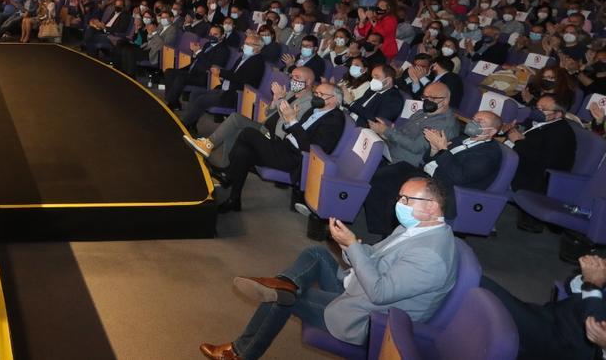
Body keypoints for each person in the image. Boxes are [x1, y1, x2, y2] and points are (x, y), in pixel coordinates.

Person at [199, 177, 457, 359]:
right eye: (400, 197)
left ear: (431, 207)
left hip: (370, 317)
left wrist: (352, 249)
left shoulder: (431, 255)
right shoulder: (416, 228)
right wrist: (351, 242)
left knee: (280, 299)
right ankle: (285, 281)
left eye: (406, 199)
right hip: (359, 286)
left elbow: (380, 293)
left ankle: (240, 353)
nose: (399, 204)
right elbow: (378, 256)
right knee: (316, 253)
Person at [361, 111, 502, 234]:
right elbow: (429, 158)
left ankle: (391, 237)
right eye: (474, 118)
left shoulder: (490, 154)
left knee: (398, 195)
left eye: (480, 121)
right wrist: (435, 149)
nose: (473, 122)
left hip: (446, 189)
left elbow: (459, 177)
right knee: (380, 176)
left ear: (492, 131)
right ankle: (380, 228)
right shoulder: (462, 138)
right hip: (429, 174)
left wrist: (443, 150)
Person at [215, 82, 346, 213]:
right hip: (284, 146)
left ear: (334, 99)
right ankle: (234, 200)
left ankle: (229, 175)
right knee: (243, 153)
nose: (316, 96)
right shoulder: (314, 110)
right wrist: (289, 121)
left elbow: (313, 148)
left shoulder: (335, 119)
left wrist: (292, 121)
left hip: (296, 158)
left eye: (321, 94)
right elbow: (295, 131)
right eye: (315, 93)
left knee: (248, 133)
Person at [186, 66, 316, 169]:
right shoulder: (292, 93)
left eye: (297, 77)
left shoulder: (308, 102)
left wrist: (281, 98)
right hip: (265, 127)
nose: (293, 80)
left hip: (276, 136)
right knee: (235, 123)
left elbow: (288, 122)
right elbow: (268, 112)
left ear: (309, 82)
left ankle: (210, 145)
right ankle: (226, 163)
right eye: (292, 77)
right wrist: (275, 100)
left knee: (236, 121)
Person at [482, 254, 606, 360]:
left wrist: (592, 285)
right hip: (549, 315)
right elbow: (570, 287)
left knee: (481, 287)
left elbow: (594, 323)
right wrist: (587, 276)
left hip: (562, 346)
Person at [345, 64, 404, 128]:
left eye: (377, 77)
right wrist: (344, 98)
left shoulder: (394, 99)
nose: (373, 81)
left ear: (388, 81)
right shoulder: (372, 89)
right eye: (372, 77)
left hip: (360, 128)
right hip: (349, 119)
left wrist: (351, 103)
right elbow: (359, 103)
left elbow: (377, 121)